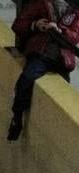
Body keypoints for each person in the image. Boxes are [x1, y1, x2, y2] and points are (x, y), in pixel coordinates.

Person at [8, 0, 79, 140]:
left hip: (62, 60)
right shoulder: (40, 4)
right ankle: (17, 117)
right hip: (42, 54)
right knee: (25, 80)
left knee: (63, 98)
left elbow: (75, 36)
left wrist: (61, 30)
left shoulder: (74, 12)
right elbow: (18, 25)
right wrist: (35, 25)